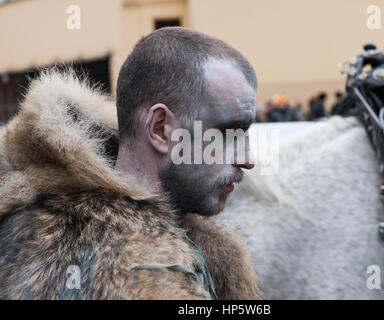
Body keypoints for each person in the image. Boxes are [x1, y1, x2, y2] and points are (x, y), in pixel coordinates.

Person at [0, 27, 261, 299]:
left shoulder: (186, 244)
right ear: (160, 128)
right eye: (228, 133)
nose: (247, 159)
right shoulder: (102, 264)